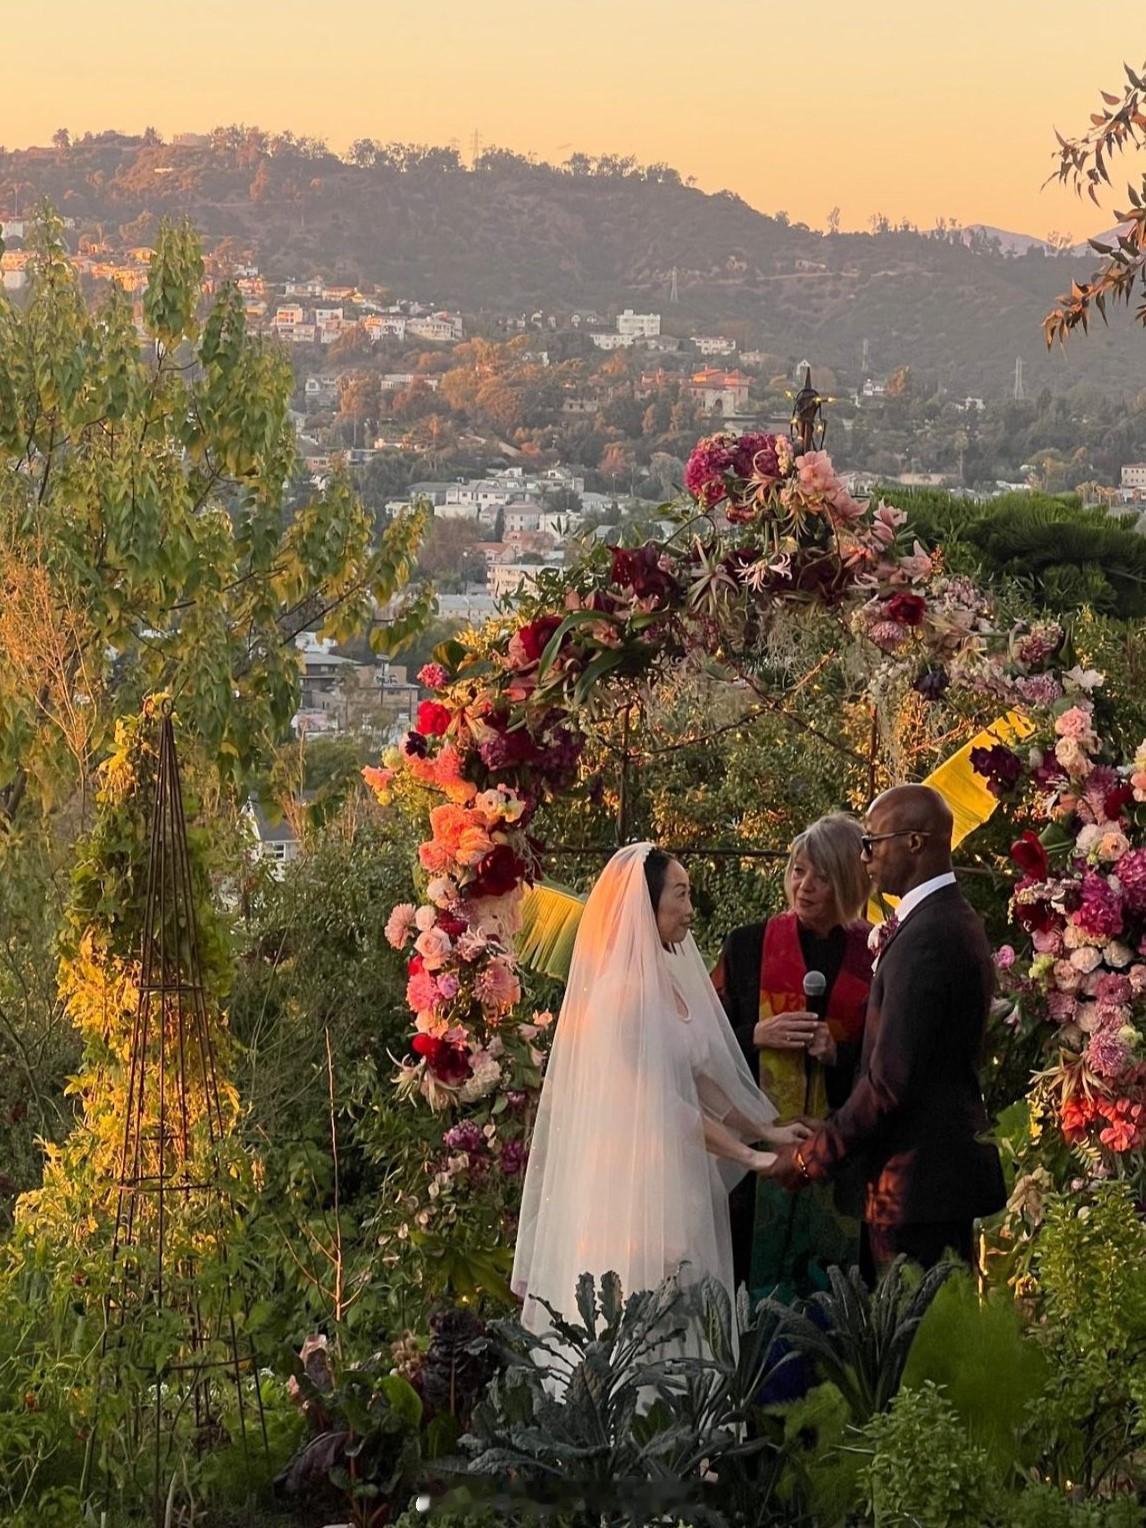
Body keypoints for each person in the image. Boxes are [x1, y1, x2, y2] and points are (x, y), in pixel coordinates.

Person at [512, 843, 810, 1345]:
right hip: (636, 1191)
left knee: (691, 1319)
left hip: (684, 1184)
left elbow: (701, 1076)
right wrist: (749, 1157)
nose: (691, 910)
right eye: (681, 895)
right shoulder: (619, 997)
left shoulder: (671, 981)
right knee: (646, 1324)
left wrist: (766, 1129)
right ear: (644, 906)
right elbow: (662, 1107)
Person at [772, 785, 1006, 1282]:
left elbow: (890, 1083)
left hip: (915, 1186)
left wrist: (811, 1158)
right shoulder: (945, 919)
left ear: (916, 843)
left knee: (914, 1347)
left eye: (872, 843)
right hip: (925, 1180)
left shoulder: (929, 937)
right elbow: (917, 1051)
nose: (866, 857)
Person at [712, 814, 873, 1300]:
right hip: (756, 1159)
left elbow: (887, 1059)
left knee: (834, 1299)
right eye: (799, 871)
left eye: (822, 877)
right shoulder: (747, 946)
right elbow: (702, 1044)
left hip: (840, 1153)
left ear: (848, 881)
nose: (804, 887)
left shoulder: (873, 953)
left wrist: (836, 1053)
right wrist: (756, 1033)